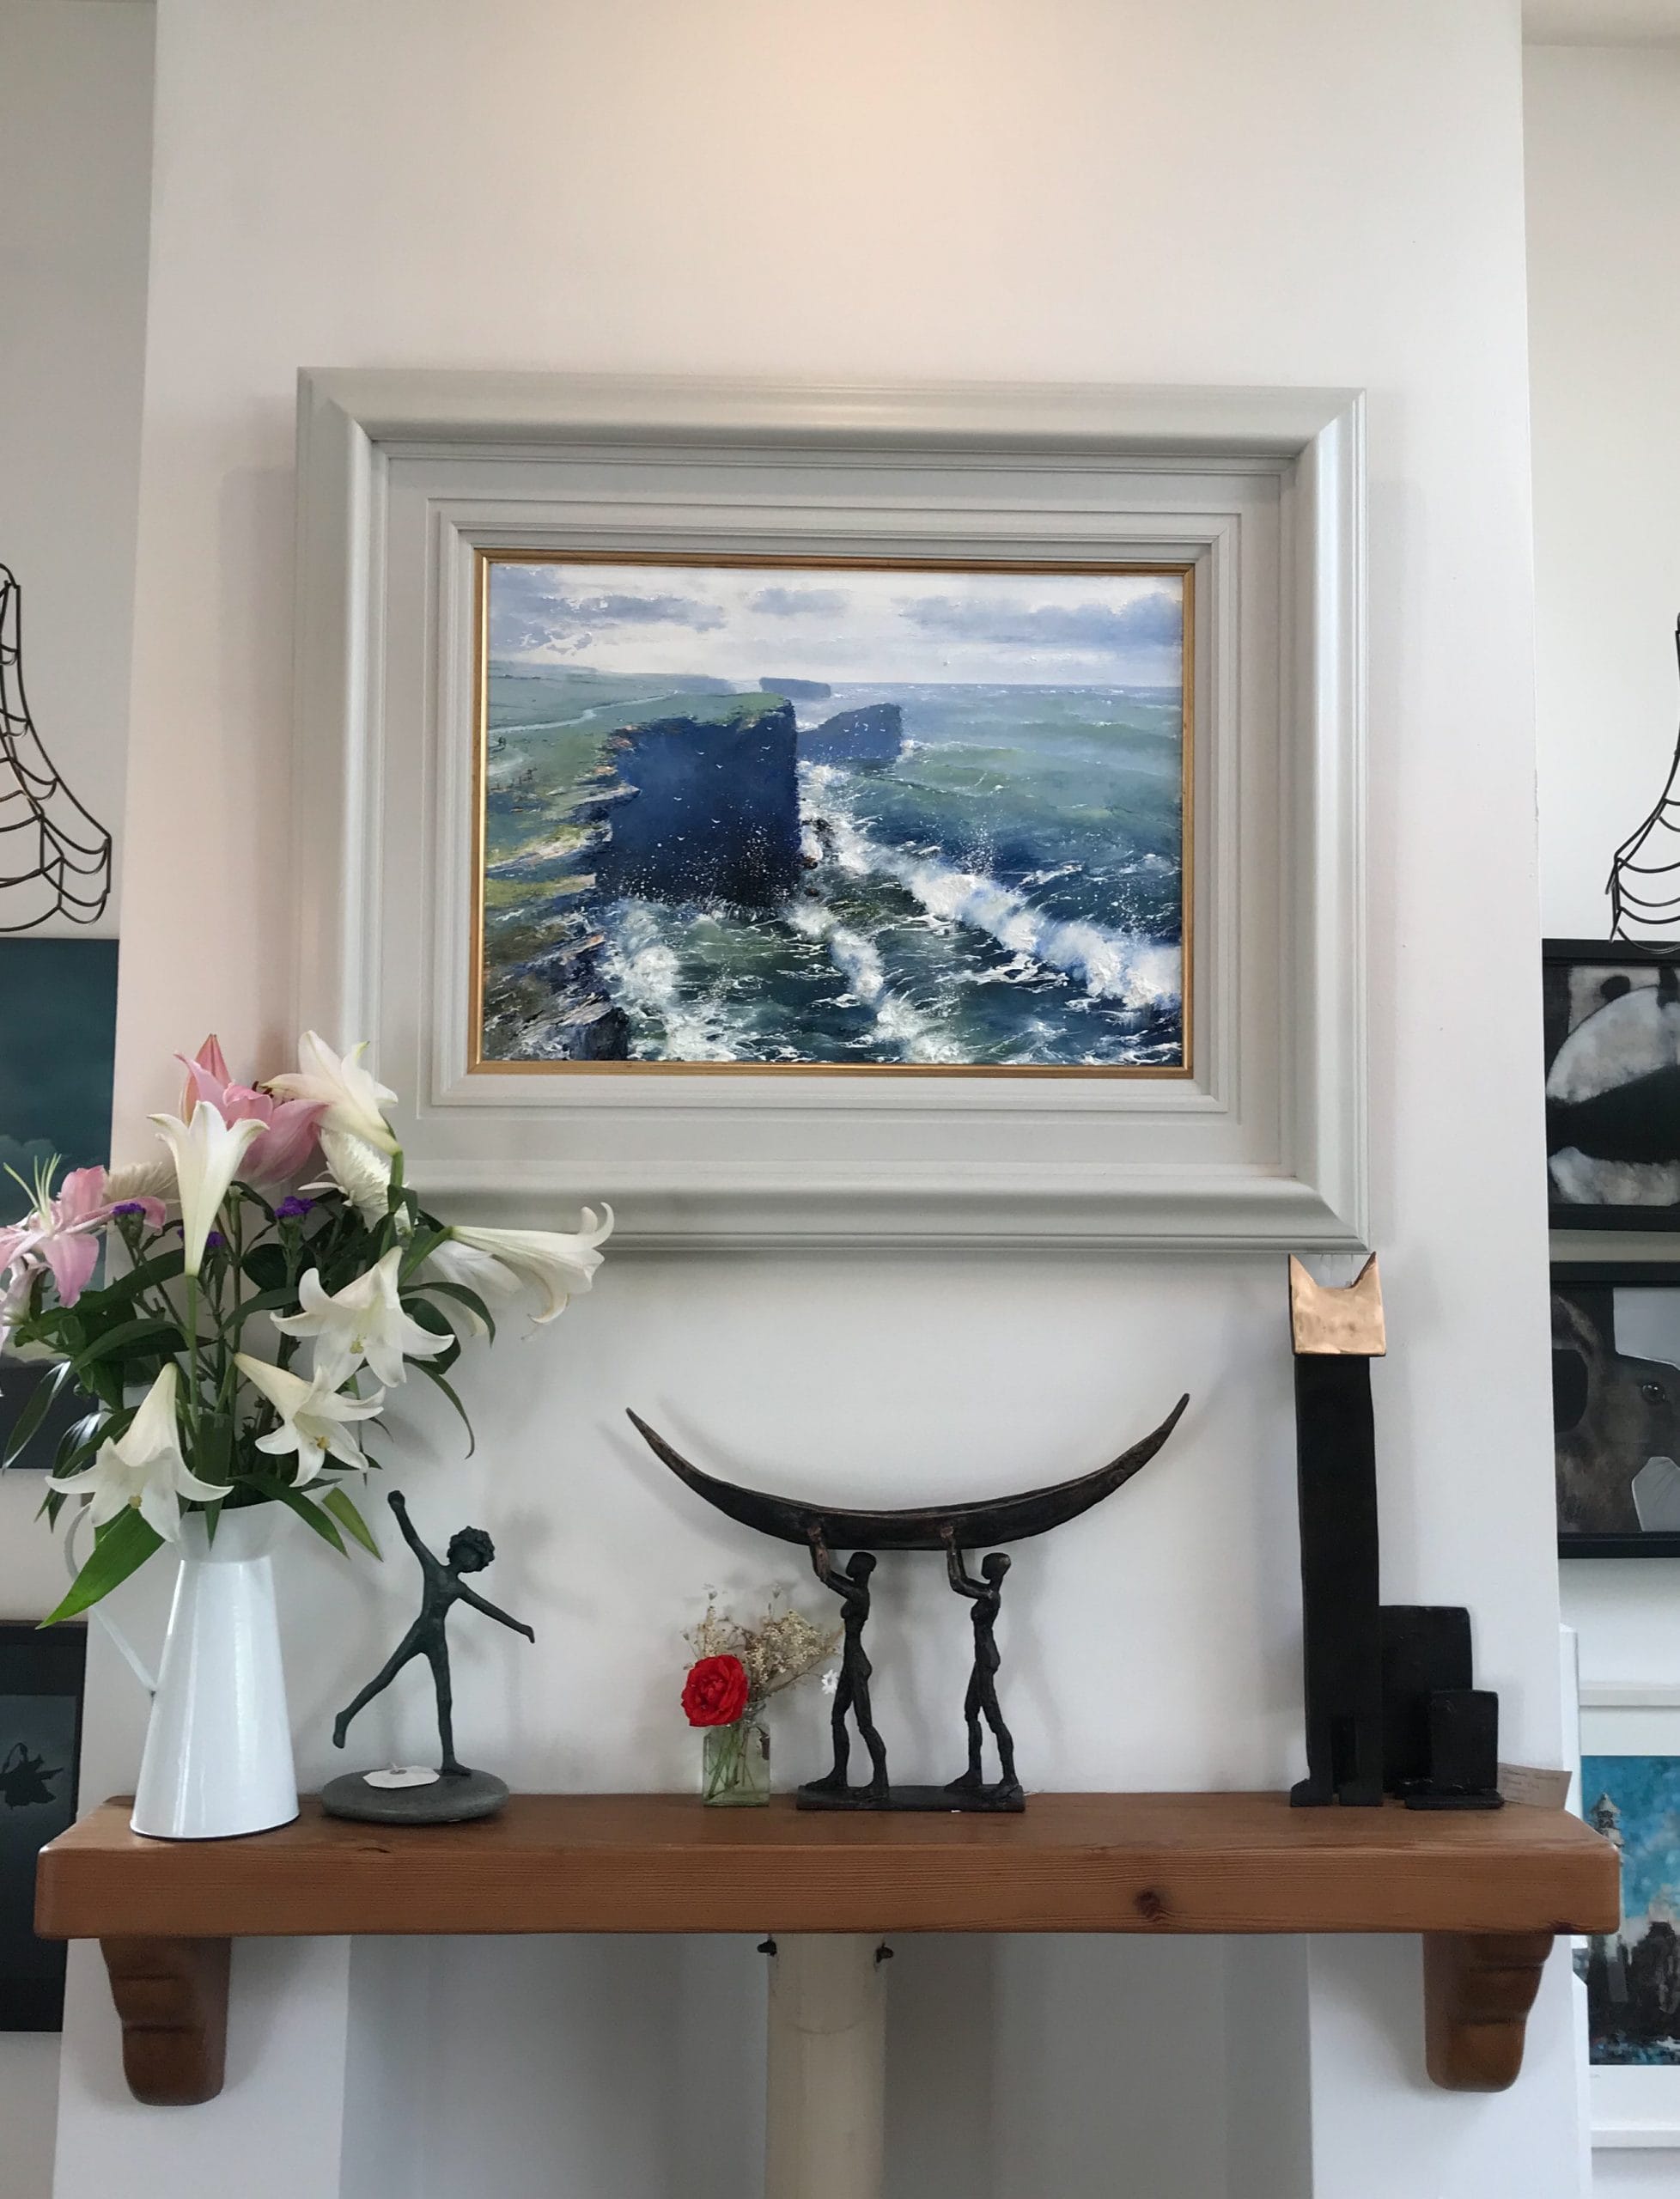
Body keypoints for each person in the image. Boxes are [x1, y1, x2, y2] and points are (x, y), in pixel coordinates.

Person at [332, 1491, 534, 1776]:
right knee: (385, 1677)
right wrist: (399, 1509)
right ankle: (345, 1716)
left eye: (476, 1559)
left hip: (437, 1638)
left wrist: (521, 1627)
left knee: (445, 1697)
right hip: (421, 1631)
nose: (470, 1560)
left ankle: (448, 1759)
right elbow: (413, 1540)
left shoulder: (460, 1588)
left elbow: (489, 1609)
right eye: (470, 1553)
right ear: (458, 1549)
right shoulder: (433, 1569)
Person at [806, 1529, 889, 1795]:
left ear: (861, 1568)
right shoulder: (856, 1591)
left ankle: (880, 1782)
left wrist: (818, 1540)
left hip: (857, 1663)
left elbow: (826, 1576)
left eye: (854, 1563)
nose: (849, 1565)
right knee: (837, 1718)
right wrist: (813, 1542)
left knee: (865, 1725)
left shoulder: (859, 1594)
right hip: (851, 1661)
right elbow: (823, 1573)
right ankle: (839, 1775)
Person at [943, 1531, 1019, 1794]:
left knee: (994, 1720)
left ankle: (1010, 1778)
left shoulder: (990, 1596)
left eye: (987, 1564)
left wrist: (951, 1544)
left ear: (994, 1570)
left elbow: (957, 1584)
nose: (983, 1567)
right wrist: (954, 1544)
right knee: (970, 1713)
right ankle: (974, 1772)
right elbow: (963, 1580)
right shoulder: (987, 1592)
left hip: (986, 1658)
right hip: (982, 1658)